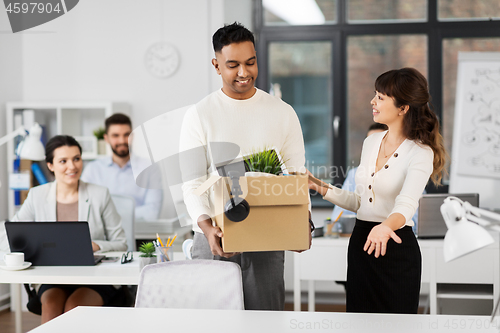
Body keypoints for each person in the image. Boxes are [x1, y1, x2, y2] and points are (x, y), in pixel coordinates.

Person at [179, 22, 310, 311]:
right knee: (210, 324)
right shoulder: (199, 115)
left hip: (267, 237)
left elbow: (297, 176)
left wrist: (303, 222)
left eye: (250, 63)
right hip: (214, 237)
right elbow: (191, 183)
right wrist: (206, 227)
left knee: (265, 323)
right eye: (233, 65)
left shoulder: (282, 113)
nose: (244, 73)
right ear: (216, 66)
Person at [308, 68, 446, 314]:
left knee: (397, 326)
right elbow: (361, 202)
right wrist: (319, 185)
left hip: (396, 248)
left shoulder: (420, 152)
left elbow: (406, 205)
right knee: (359, 323)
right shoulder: (371, 142)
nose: (373, 101)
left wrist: (384, 227)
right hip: (362, 244)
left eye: (381, 97)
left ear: (403, 108)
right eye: (375, 94)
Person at [11, 135, 127, 323]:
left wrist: (95, 246)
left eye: (76, 159)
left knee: (75, 307)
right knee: (51, 306)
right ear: (50, 165)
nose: (72, 166)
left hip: (93, 278)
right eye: (63, 161)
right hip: (52, 276)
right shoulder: (37, 195)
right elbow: (12, 235)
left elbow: (121, 243)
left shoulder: (99, 194)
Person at [331, 123, 425, 234]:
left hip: (395, 235)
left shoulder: (410, 170)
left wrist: (387, 225)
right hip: (362, 236)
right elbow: (339, 215)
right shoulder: (354, 174)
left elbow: (416, 218)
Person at [81, 113, 163, 221]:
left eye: (126, 135)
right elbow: (85, 210)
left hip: (140, 234)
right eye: (116, 135)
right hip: (103, 236)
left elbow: (152, 212)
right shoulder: (92, 170)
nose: (122, 141)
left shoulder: (149, 168)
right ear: (106, 138)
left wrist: (109, 216)